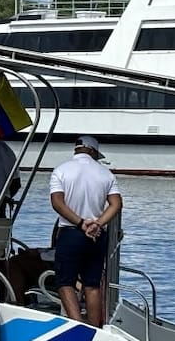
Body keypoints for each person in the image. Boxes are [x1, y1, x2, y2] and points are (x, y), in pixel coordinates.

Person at [48, 135, 122, 327]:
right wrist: (98, 223)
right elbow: (116, 204)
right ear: (93, 152)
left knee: (65, 283)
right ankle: (95, 328)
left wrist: (81, 223)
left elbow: (57, 203)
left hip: (71, 232)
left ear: (76, 150)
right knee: (92, 285)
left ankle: (77, 325)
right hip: (97, 236)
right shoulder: (106, 174)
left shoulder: (61, 171)